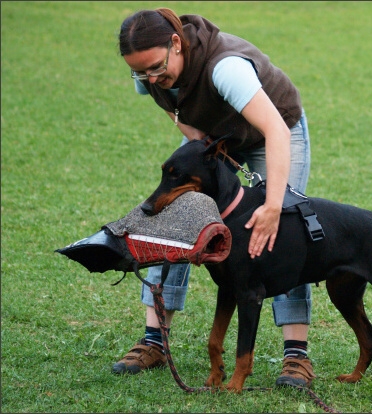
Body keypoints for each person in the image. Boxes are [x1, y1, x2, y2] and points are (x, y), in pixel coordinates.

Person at [111, 8, 315, 388]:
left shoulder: (225, 68)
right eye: (141, 72)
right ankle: (154, 341)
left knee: (281, 229)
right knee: (172, 224)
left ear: (176, 44)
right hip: (215, 138)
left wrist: (272, 205)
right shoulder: (148, 71)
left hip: (275, 132)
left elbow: (274, 131)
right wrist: (205, 148)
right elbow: (174, 110)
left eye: (155, 68)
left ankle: (295, 356)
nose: (150, 78)